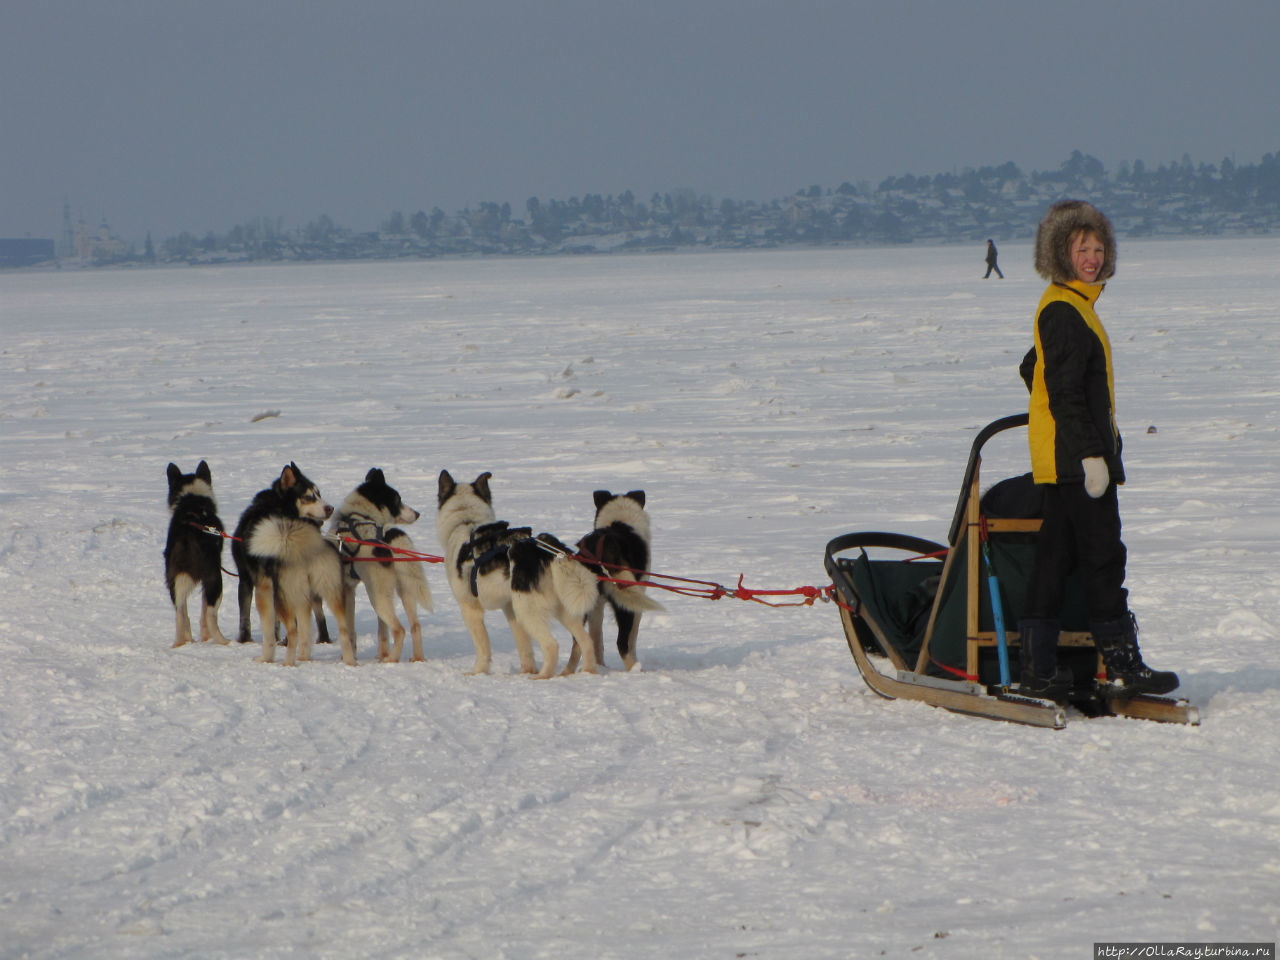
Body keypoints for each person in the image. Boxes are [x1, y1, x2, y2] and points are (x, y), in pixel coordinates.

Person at [1015, 200, 1178, 700]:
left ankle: (1037, 670)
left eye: (1098, 247)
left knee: (1055, 558)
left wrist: (1055, 422)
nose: (1091, 256)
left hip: (1063, 457)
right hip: (1077, 463)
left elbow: (1033, 369)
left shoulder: (1072, 305)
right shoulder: (1065, 310)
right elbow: (1061, 390)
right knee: (1103, 556)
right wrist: (1090, 454)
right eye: (1081, 248)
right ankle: (1122, 664)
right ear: (1061, 254)